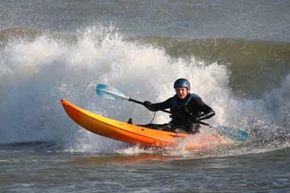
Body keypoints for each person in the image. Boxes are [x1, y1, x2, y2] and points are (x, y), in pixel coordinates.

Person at [143, 78, 215, 134]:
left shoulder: (195, 100)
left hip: (190, 131)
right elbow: (156, 107)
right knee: (152, 126)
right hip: (175, 126)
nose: (180, 92)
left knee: (166, 127)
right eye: (177, 90)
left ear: (188, 90)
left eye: (182, 90)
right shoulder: (173, 100)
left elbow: (211, 112)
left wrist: (197, 118)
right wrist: (149, 105)